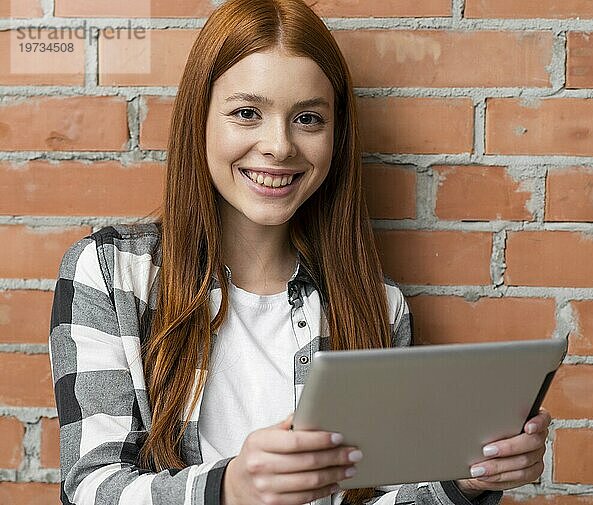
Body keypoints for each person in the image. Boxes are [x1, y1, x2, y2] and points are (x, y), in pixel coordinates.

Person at [48, 0, 551, 504]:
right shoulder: (110, 274)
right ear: (199, 119)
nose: (279, 146)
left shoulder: (377, 306)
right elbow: (90, 486)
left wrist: (464, 480)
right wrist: (230, 489)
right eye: (247, 113)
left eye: (308, 119)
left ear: (337, 136)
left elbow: (377, 496)